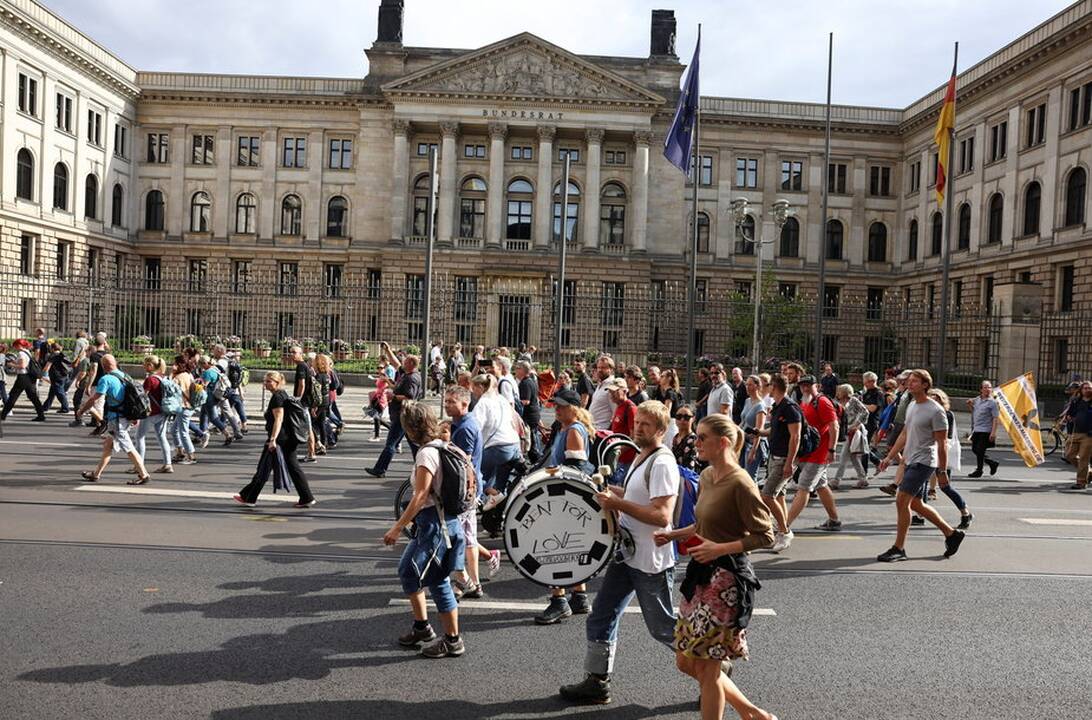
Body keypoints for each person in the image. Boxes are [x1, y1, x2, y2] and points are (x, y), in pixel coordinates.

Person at [656, 414, 777, 720]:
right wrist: (674, 534)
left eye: (701, 438)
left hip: (726, 581)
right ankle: (752, 713)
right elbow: (704, 523)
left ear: (722, 442)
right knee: (685, 662)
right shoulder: (708, 475)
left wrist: (719, 548)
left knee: (708, 669)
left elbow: (766, 534)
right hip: (700, 575)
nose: (694, 442)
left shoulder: (741, 483)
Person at [559, 400, 680, 706]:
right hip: (627, 554)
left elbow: (662, 515)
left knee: (663, 628)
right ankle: (597, 682)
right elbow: (638, 497)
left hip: (650, 560)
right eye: (637, 422)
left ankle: (713, 669)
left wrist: (617, 505)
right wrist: (610, 491)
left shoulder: (662, 462)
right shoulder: (643, 455)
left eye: (646, 425)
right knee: (601, 615)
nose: (638, 428)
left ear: (662, 430)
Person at [384, 400, 467, 659]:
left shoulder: (426, 453)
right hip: (445, 523)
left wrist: (398, 527)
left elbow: (420, 496)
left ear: (411, 428)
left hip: (435, 525)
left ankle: (453, 641)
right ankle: (422, 627)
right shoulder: (447, 446)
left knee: (438, 581)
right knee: (407, 571)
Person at [876, 369, 966, 562]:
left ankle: (898, 548)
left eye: (915, 381)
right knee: (915, 503)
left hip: (924, 462)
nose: (910, 383)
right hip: (910, 460)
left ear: (925, 385)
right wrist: (889, 457)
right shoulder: (912, 405)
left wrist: (942, 471)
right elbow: (904, 434)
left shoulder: (936, 410)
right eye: (909, 381)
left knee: (901, 500)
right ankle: (951, 534)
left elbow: (942, 444)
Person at [535, 387, 594, 625]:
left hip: (563, 499)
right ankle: (579, 596)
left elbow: (575, 471)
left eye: (560, 406)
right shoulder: (566, 428)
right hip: (563, 498)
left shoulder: (573, 432)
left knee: (553, 550)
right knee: (569, 547)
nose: (556, 409)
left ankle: (559, 601)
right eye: (555, 406)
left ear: (573, 408)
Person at [235, 371, 316, 509]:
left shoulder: (277, 397)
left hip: (280, 439)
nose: (265, 384)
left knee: (263, 468)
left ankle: (249, 497)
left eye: (268, 381)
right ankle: (306, 497)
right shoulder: (282, 394)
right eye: (265, 381)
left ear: (277, 382)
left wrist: (273, 439)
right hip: (288, 438)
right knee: (292, 467)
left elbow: (279, 419)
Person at [444, 385, 496, 596]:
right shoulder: (462, 423)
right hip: (469, 488)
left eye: (451, 402)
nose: (447, 405)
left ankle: (468, 582)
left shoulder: (465, 428)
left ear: (465, 404)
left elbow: (461, 462)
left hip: (464, 490)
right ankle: (470, 580)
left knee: (461, 537)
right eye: (446, 401)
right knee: (467, 536)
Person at [76, 354, 150, 484]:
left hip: (116, 420)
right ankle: (96, 474)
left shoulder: (106, 379)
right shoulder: (125, 375)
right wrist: (134, 416)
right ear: (115, 363)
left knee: (129, 448)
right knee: (108, 446)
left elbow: (95, 398)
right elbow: (133, 396)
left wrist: (81, 410)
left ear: (103, 366)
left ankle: (144, 474)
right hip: (125, 416)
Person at [785, 375, 842, 532]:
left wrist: (832, 449)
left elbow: (834, 426)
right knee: (821, 485)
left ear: (816, 385)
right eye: (802, 385)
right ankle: (834, 520)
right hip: (808, 452)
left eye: (808, 385)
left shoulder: (822, 402)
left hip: (819, 454)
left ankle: (784, 525)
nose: (805, 388)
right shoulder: (805, 402)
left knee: (803, 487)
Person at [754, 374, 799, 554]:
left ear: (774, 386)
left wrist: (789, 463)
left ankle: (784, 532)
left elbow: (795, 437)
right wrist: (759, 432)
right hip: (775, 457)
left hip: (783, 460)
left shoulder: (790, 408)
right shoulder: (778, 406)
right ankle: (781, 531)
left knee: (767, 495)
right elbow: (776, 430)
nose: (766, 388)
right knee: (778, 495)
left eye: (768, 385)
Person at [366, 347, 423, 478]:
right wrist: (387, 350)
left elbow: (410, 396)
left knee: (391, 444)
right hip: (401, 414)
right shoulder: (406, 374)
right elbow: (396, 363)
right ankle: (422, 466)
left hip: (403, 414)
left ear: (411, 365)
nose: (403, 363)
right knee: (412, 443)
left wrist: (394, 397)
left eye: (406, 362)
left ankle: (380, 469)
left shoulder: (412, 378)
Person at [472, 374, 523, 510]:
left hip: (498, 447)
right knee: (500, 485)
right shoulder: (501, 399)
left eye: (474, 387)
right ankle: (496, 512)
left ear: (481, 387)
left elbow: (475, 428)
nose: (472, 391)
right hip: (514, 445)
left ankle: (479, 499)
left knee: (474, 472)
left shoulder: (483, 403)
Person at [927, 388, 973, 529]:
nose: (934, 402)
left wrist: (942, 467)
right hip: (926, 453)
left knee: (945, 487)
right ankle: (919, 516)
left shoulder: (947, 415)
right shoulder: (925, 412)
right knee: (920, 486)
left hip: (941, 453)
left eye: (937, 399)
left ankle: (965, 513)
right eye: (931, 399)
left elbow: (946, 439)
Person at [133, 355, 173, 475]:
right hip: (163, 412)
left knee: (139, 437)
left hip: (151, 413)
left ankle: (139, 465)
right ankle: (168, 464)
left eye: (145, 364)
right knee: (162, 437)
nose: (143, 366)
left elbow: (143, 397)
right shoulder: (162, 378)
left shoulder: (150, 379)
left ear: (150, 365)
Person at [831, 383, 869, 489]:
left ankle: (836, 480)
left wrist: (856, 425)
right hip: (847, 431)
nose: (837, 392)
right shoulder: (838, 402)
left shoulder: (853, 400)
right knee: (853, 457)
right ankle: (862, 478)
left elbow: (865, 412)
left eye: (839, 391)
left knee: (844, 456)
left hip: (854, 431)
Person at [0, 338, 46, 422]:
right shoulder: (27, 352)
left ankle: (3, 415)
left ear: (19, 345)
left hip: (23, 377)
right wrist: (15, 361)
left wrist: (11, 364)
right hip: (30, 377)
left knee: (13, 396)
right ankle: (41, 415)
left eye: (15, 346)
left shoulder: (21, 353)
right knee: (33, 397)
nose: (14, 348)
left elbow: (22, 366)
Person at [1062, 381, 1092, 490]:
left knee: (1084, 458)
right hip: (1075, 432)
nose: (1088, 390)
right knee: (1069, 455)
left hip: (1088, 435)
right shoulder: (1076, 401)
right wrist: (1069, 417)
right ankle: (1088, 472)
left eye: (1089, 388)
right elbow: (1069, 413)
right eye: (1085, 388)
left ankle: (1081, 482)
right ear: (1081, 390)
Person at [966, 380, 1000, 477]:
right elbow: (974, 412)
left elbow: (995, 418)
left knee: (980, 450)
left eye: (989, 387)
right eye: (985, 387)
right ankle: (992, 463)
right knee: (974, 449)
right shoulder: (977, 400)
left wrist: (993, 433)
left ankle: (979, 470)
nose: (987, 389)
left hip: (986, 430)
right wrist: (970, 405)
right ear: (981, 389)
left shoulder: (992, 403)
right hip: (976, 429)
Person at [169, 356, 198, 465]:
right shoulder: (188, 375)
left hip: (184, 407)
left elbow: (169, 388)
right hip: (188, 406)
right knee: (173, 430)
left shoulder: (178, 377)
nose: (173, 366)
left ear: (180, 365)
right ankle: (180, 453)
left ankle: (191, 456)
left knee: (183, 432)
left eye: (175, 364)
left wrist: (172, 374)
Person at [739, 375, 769, 481]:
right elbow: (743, 422)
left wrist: (754, 450)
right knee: (741, 474)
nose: (747, 387)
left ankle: (754, 497)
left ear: (757, 386)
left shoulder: (760, 406)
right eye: (746, 384)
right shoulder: (747, 401)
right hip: (744, 441)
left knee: (750, 477)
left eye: (750, 385)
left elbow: (758, 430)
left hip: (754, 443)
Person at [514, 361, 542, 461]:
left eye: (518, 368)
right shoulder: (530, 381)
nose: (515, 370)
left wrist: (514, 402)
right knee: (533, 441)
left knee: (531, 443)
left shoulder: (525, 383)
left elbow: (526, 401)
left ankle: (537, 461)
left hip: (529, 416)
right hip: (533, 415)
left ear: (522, 370)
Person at [41, 341, 72, 414]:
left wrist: (41, 374)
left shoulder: (53, 356)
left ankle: (65, 407)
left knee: (59, 392)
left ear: (52, 348)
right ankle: (45, 407)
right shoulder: (63, 355)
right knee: (52, 392)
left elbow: (47, 367)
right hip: (64, 375)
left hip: (56, 376)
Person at [672, 404, 705, 473]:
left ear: (693, 418)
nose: (682, 420)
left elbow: (689, 469)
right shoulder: (676, 437)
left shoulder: (693, 440)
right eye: (679, 417)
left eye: (686, 417)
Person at [588, 355, 617, 430]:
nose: (600, 370)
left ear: (611, 369)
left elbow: (615, 412)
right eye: (599, 367)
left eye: (603, 368)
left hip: (603, 431)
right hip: (594, 428)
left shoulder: (612, 386)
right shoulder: (600, 384)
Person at [367, 374, 391, 440]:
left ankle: (378, 436)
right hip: (377, 399)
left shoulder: (384, 380)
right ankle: (377, 435)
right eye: (379, 368)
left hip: (381, 401)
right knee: (376, 418)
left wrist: (386, 380)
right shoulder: (380, 379)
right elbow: (377, 381)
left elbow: (390, 383)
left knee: (377, 417)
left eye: (381, 368)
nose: (379, 370)